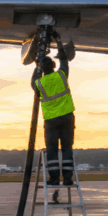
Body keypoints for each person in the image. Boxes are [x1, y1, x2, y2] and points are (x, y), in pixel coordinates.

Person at [32, 39, 75, 187]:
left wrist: (37, 63)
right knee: (67, 148)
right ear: (53, 65)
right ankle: (68, 178)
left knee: (52, 150)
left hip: (51, 120)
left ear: (42, 69)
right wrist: (60, 47)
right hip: (67, 117)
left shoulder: (39, 83)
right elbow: (65, 63)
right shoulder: (62, 75)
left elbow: (34, 80)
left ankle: (55, 178)